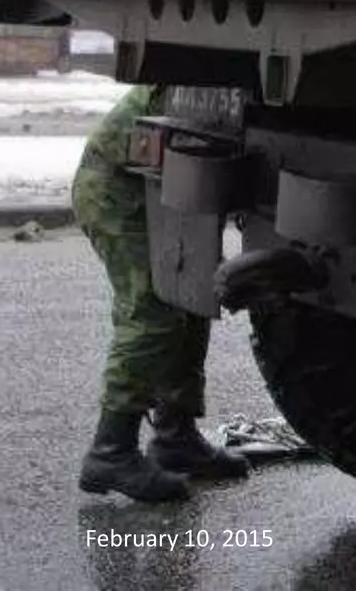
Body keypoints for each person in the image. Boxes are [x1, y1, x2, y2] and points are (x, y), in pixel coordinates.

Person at [75, 85, 249, 501]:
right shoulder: (194, 76)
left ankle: (176, 437)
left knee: (193, 301)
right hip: (118, 187)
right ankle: (110, 450)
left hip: (174, 186)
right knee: (153, 312)